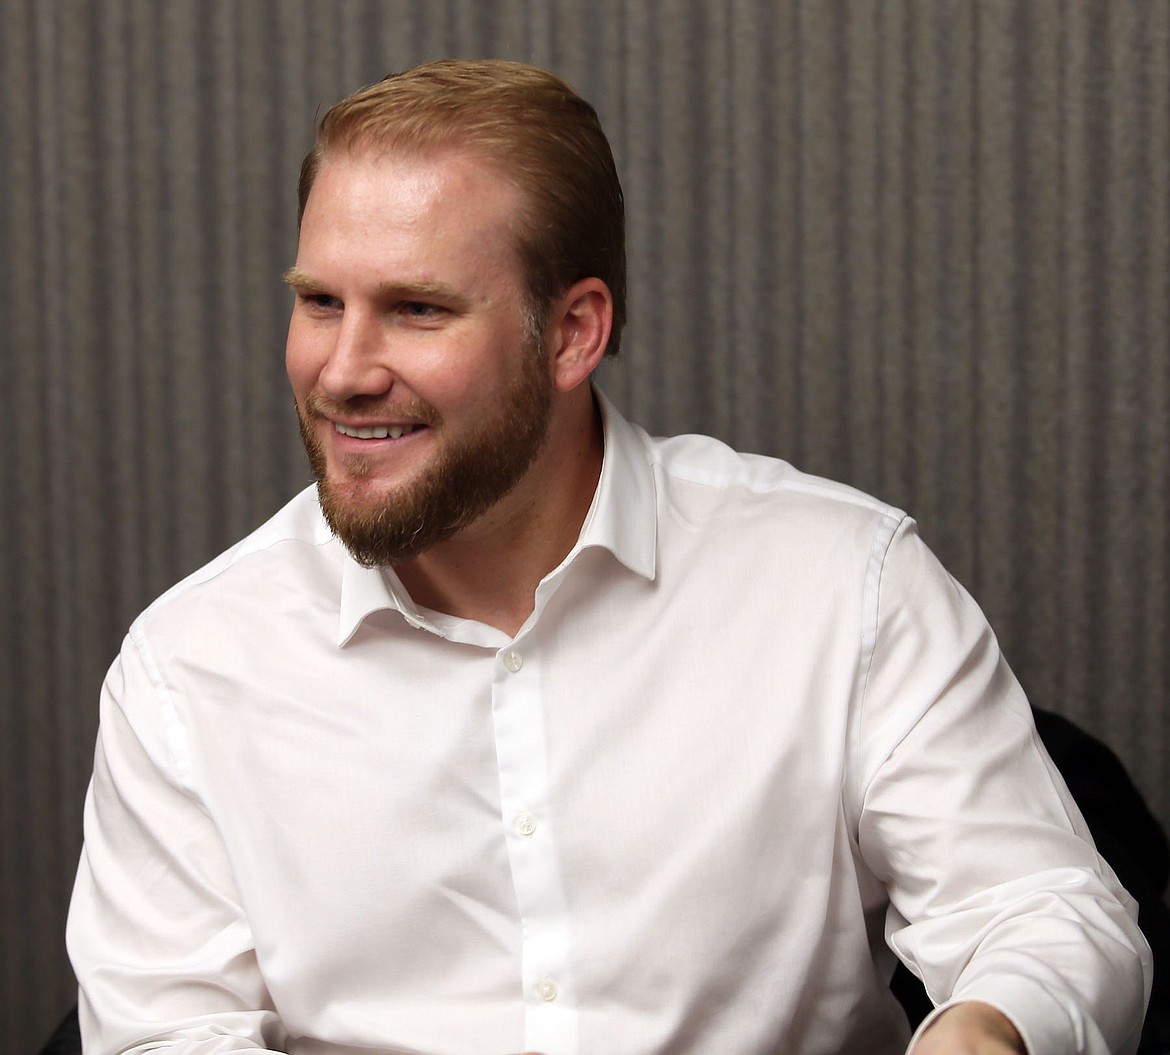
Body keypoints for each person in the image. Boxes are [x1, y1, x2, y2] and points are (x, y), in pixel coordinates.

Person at [67, 59, 1151, 1055]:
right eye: (319, 302)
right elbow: (166, 1033)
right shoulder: (188, 669)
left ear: (574, 332)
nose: (342, 370)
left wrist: (990, 1027)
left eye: (416, 309)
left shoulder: (844, 586)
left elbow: (1043, 909)